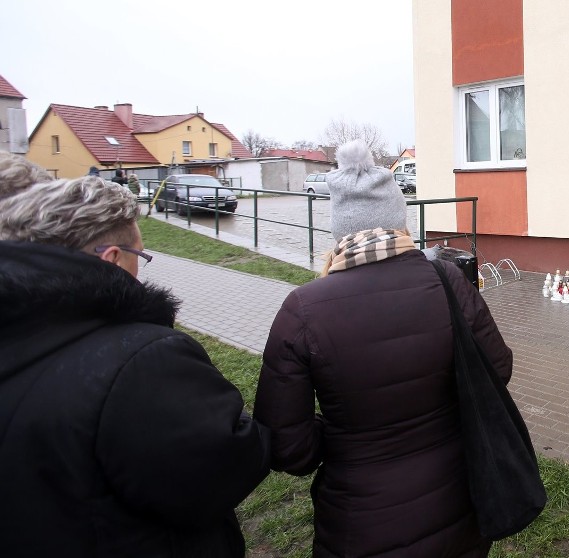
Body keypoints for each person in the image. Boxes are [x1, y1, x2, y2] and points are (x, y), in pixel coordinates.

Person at [254, 140, 513, 557]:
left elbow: (288, 447)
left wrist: (345, 434)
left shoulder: (302, 310)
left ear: (340, 228)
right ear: (399, 219)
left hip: (359, 523)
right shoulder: (448, 281)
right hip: (459, 506)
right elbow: (497, 368)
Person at [0, 175, 270, 558]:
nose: (142, 269)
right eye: (140, 256)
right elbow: (220, 470)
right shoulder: (142, 359)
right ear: (111, 258)